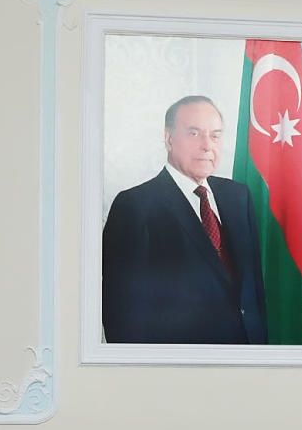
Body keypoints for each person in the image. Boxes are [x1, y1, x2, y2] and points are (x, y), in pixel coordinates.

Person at [101, 95, 268, 344]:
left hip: (246, 360)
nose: (207, 146)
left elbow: (252, 291)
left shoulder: (238, 197)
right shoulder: (134, 206)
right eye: (194, 133)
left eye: (215, 135)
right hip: (180, 370)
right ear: (169, 139)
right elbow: (121, 314)